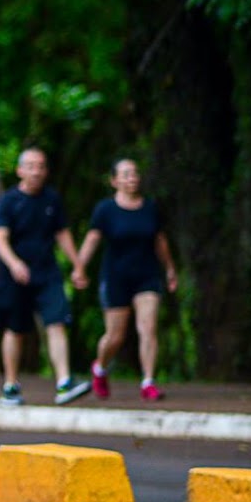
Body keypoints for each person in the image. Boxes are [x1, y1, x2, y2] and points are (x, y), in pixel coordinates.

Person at [0, 147, 92, 407]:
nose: (36, 171)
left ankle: (64, 382)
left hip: (47, 272)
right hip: (15, 276)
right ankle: (10, 385)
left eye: (41, 166)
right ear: (20, 170)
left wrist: (78, 265)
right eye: (31, 166)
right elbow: (0, 238)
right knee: (15, 330)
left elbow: (62, 233)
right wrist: (14, 263)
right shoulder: (9, 201)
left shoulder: (52, 199)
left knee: (56, 322)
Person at [74, 158, 179, 402]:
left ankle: (148, 381)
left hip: (147, 275)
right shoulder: (105, 210)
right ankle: (100, 368)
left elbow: (159, 240)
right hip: (116, 277)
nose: (132, 178)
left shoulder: (150, 208)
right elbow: (92, 240)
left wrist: (170, 268)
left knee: (148, 327)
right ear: (114, 181)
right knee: (115, 336)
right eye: (126, 174)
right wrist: (79, 268)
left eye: (135, 173)